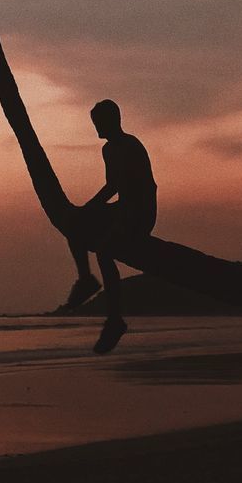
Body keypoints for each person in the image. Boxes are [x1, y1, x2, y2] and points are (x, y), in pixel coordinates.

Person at [62, 99, 157, 354]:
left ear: (112, 120)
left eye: (98, 123)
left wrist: (101, 211)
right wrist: (88, 209)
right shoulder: (108, 150)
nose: (96, 128)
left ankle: (115, 319)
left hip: (140, 213)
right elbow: (111, 186)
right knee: (74, 223)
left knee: (104, 252)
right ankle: (86, 278)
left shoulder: (130, 145)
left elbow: (134, 189)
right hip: (122, 209)